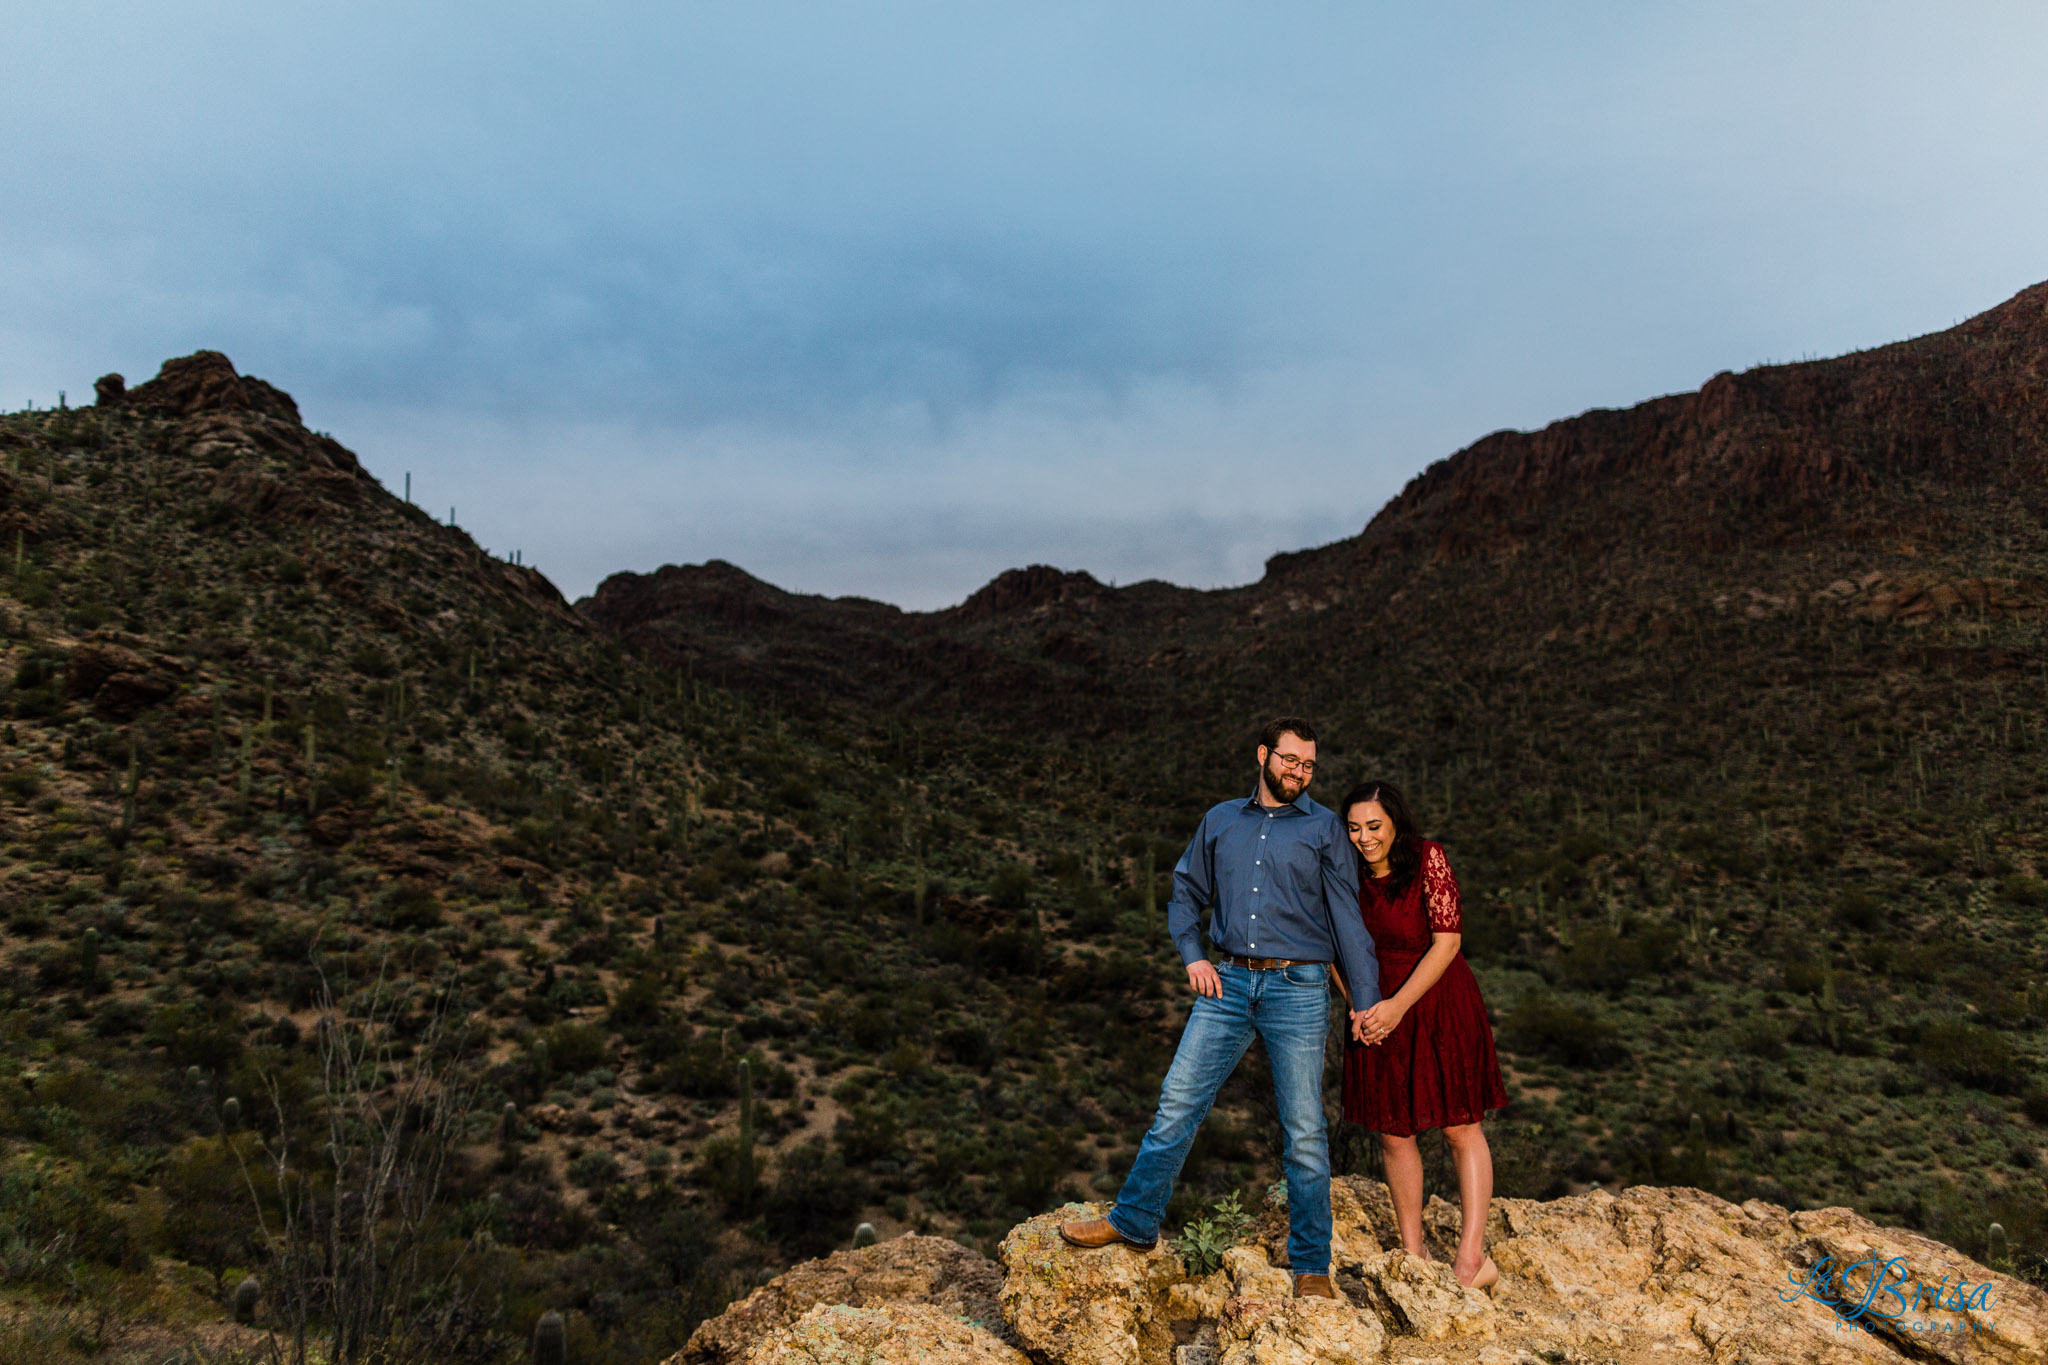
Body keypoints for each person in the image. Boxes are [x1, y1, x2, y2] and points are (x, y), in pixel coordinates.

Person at [1060, 717, 1381, 1299]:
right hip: (1226, 983)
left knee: (1304, 1132)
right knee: (1178, 1102)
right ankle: (1134, 1222)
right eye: (1289, 760)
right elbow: (1185, 891)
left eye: (1309, 765)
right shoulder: (1220, 820)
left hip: (1299, 989)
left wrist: (1366, 1002)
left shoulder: (1326, 828)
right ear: (1263, 755)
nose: (1299, 773)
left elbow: (1347, 920)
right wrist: (1193, 955)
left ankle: (1311, 1267)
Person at [1340, 781, 1507, 1290]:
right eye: (1353, 828)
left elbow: (1448, 941)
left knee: (1460, 1127)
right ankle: (1412, 1255)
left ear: (1395, 825)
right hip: (1376, 1006)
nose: (1364, 838)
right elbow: (1333, 947)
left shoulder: (1427, 859)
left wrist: (1396, 1007)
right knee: (1394, 1133)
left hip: (1436, 1001)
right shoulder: (1343, 873)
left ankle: (1471, 1260)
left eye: (1374, 826)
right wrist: (1357, 1005)